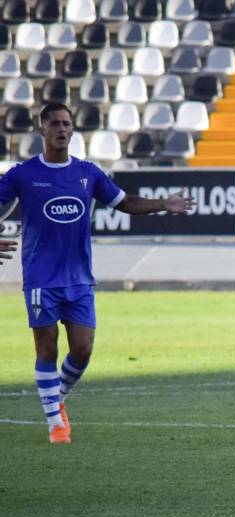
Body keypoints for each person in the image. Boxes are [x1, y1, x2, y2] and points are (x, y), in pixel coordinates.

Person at [0, 103, 195, 444]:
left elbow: (125, 202)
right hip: (40, 279)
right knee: (47, 351)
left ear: (73, 130)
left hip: (79, 278)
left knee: (83, 350)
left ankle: (55, 399)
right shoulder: (22, 175)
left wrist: (164, 203)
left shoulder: (88, 173)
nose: (62, 129)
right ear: (41, 130)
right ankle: (55, 426)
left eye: (67, 123)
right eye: (55, 124)